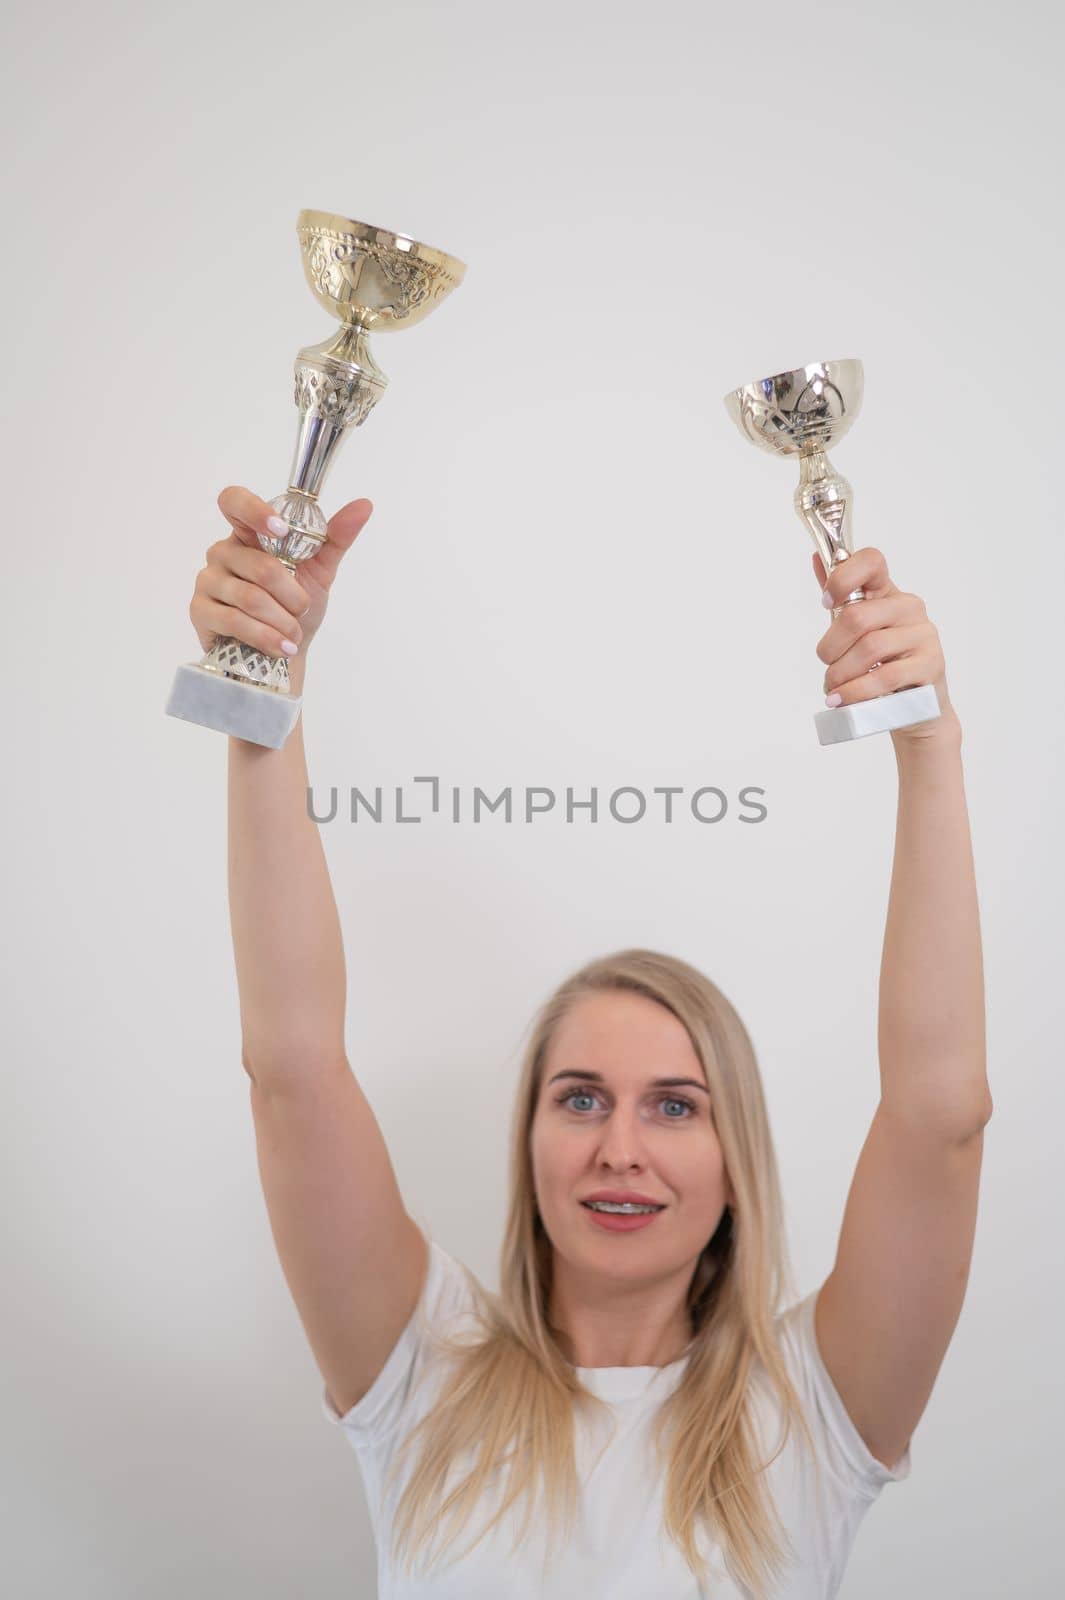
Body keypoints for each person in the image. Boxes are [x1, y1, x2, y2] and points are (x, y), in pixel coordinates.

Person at [188, 486, 990, 1598]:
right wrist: (262, 683)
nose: (621, 1146)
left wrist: (930, 744)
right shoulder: (424, 1370)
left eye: (675, 1103)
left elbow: (942, 1117)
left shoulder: (812, 1408)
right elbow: (291, 1069)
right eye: (579, 1097)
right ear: (527, 1139)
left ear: (735, 1159)